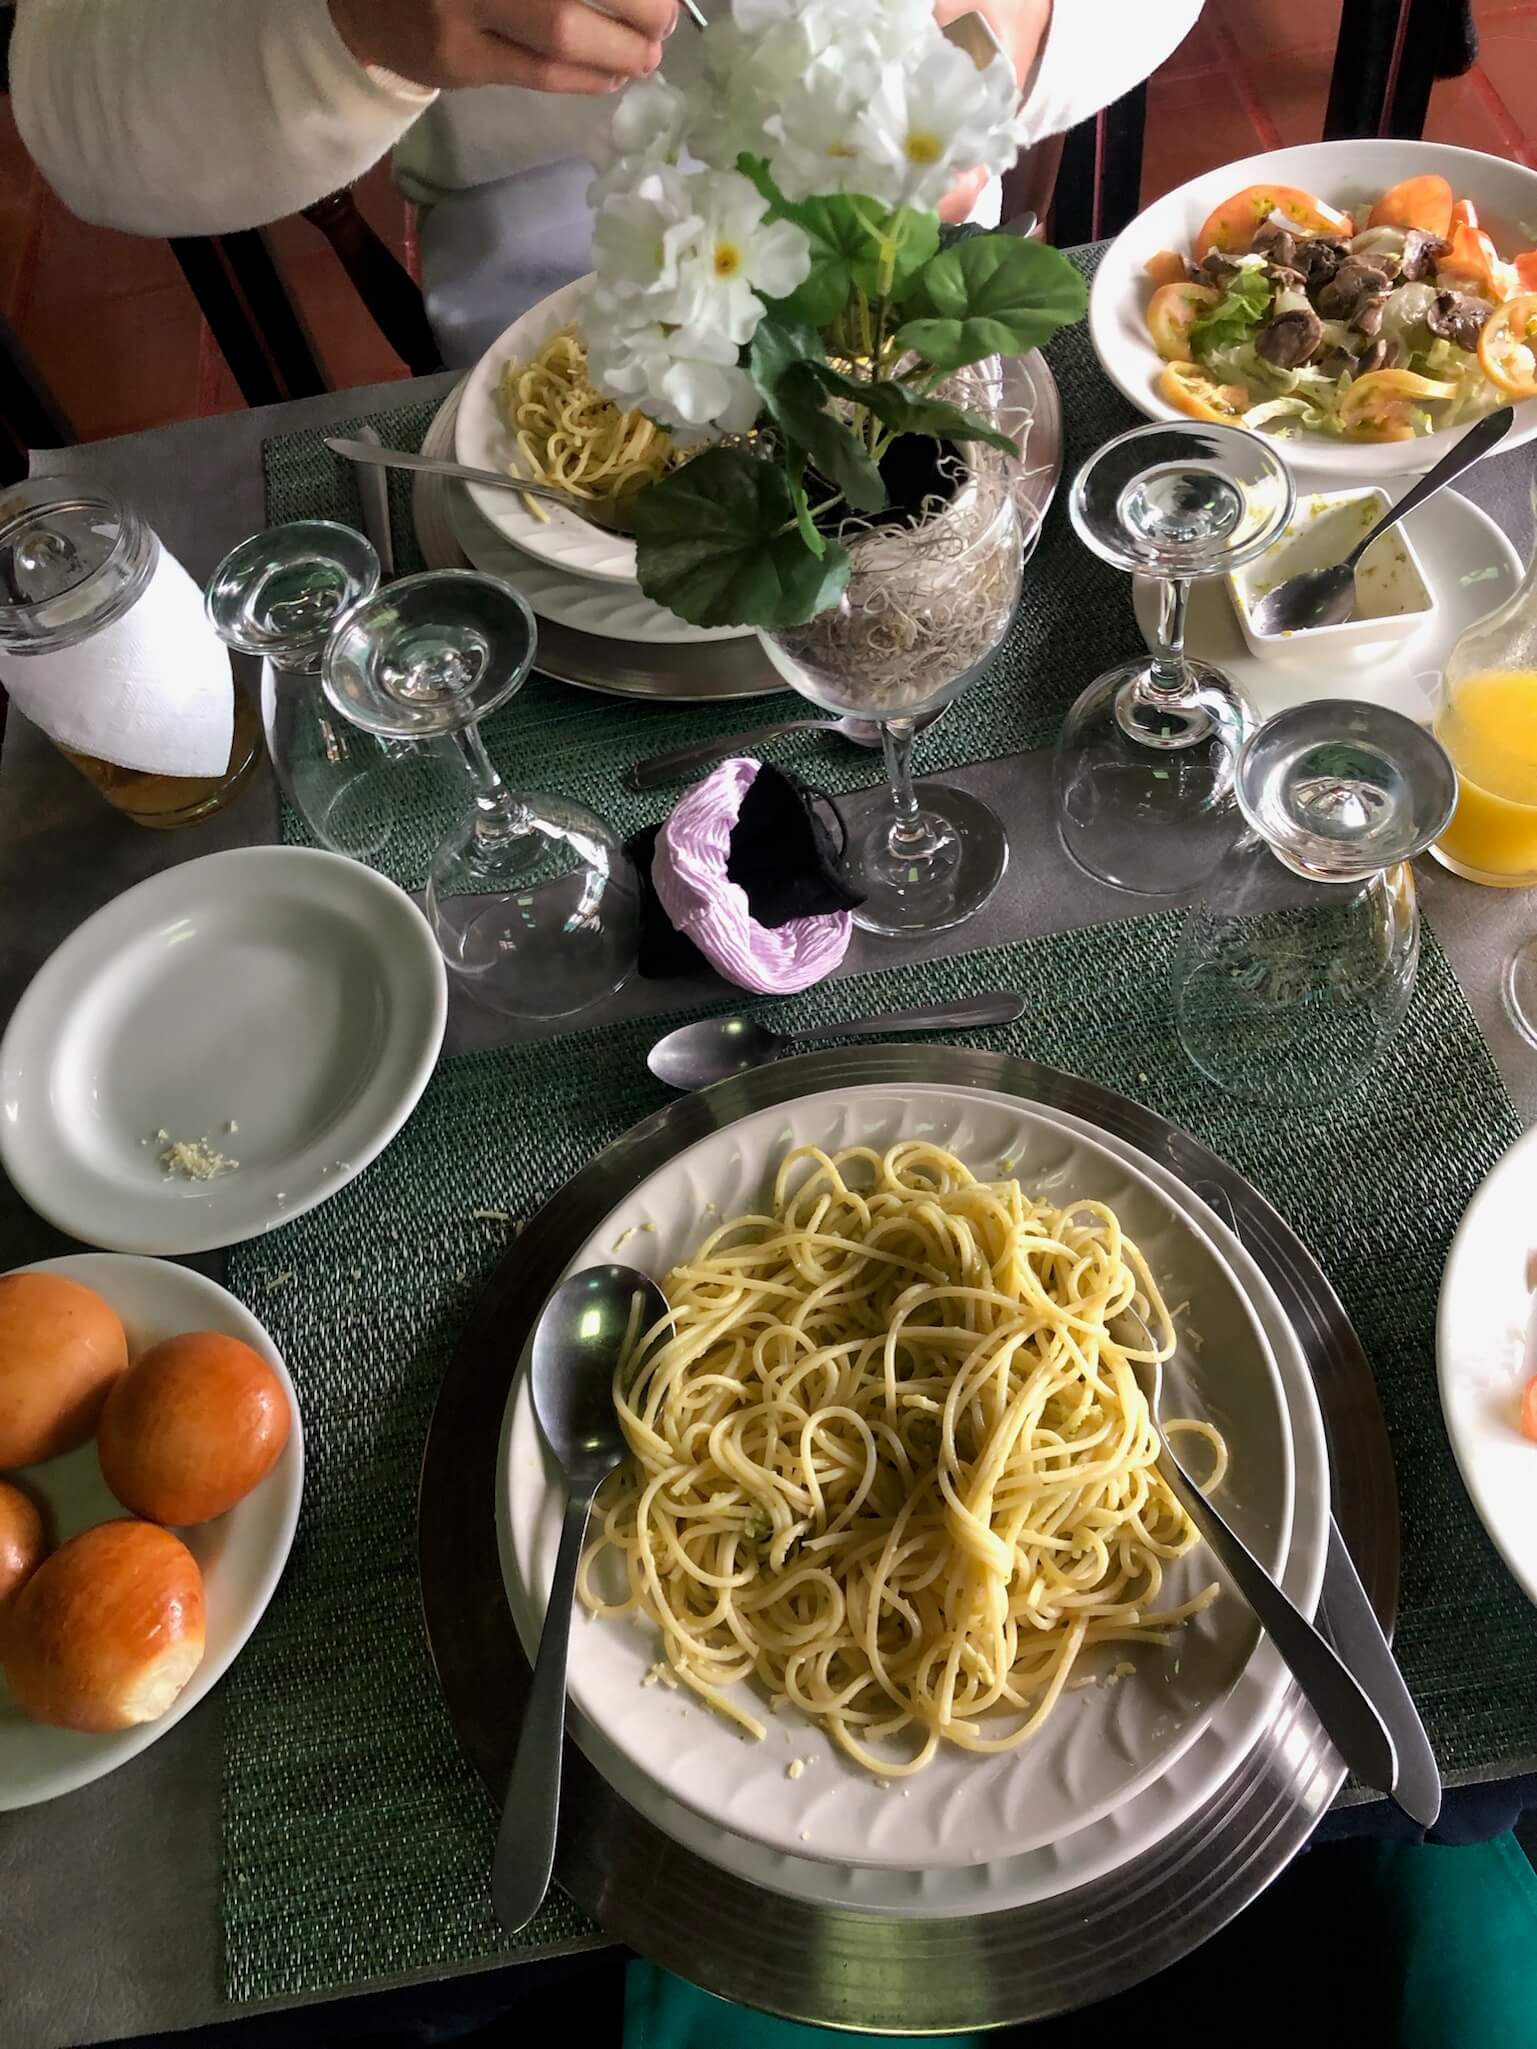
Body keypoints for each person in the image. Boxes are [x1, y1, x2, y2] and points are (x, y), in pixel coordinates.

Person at [10, 0, 1203, 366]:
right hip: (543, 307)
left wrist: (1004, 33)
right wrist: (345, 24)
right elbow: (77, 119)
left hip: (908, 273)